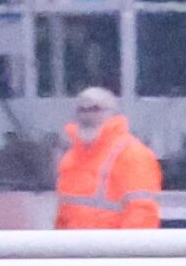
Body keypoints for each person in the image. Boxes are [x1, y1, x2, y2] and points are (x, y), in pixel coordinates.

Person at [54, 86, 163, 230]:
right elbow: (64, 214)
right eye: (81, 110)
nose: (87, 116)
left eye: (95, 109)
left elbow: (142, 214)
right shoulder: (70, 157)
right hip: (76, 249)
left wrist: (124, 250)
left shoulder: (133, 154)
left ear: (112, 113)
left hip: (112, 250)